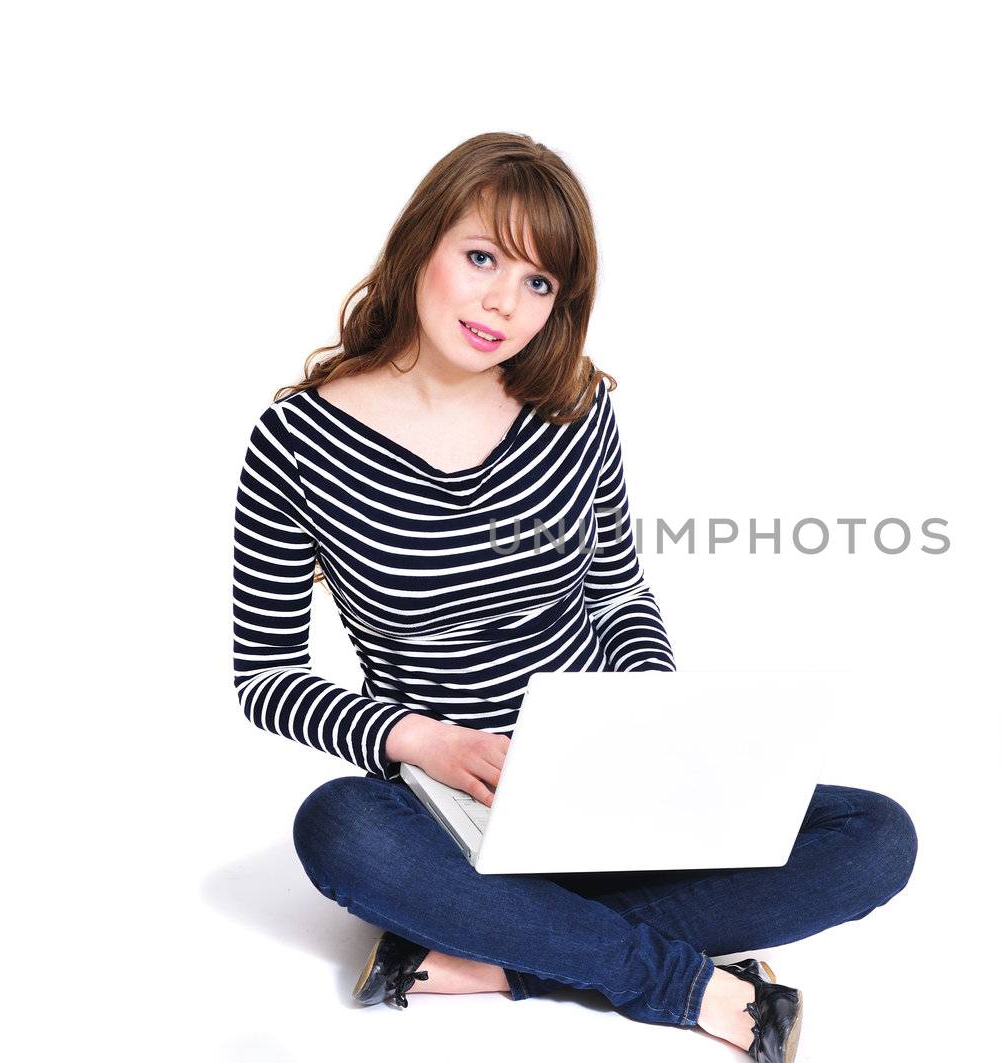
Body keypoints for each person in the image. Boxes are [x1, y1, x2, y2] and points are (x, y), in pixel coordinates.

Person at [229, 132, 918, 1063]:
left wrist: (653, 709)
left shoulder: (575, 409)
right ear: (419, 245)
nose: (503, 304)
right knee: (338, 828)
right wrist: (420, 738)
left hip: (615, 786)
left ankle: (499, 956)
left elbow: (619, 588)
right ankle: (679, 984)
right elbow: (266, 675)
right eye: (481, 258)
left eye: (539, 282)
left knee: (875, 836)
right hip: (450, 812)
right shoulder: (295, 441)